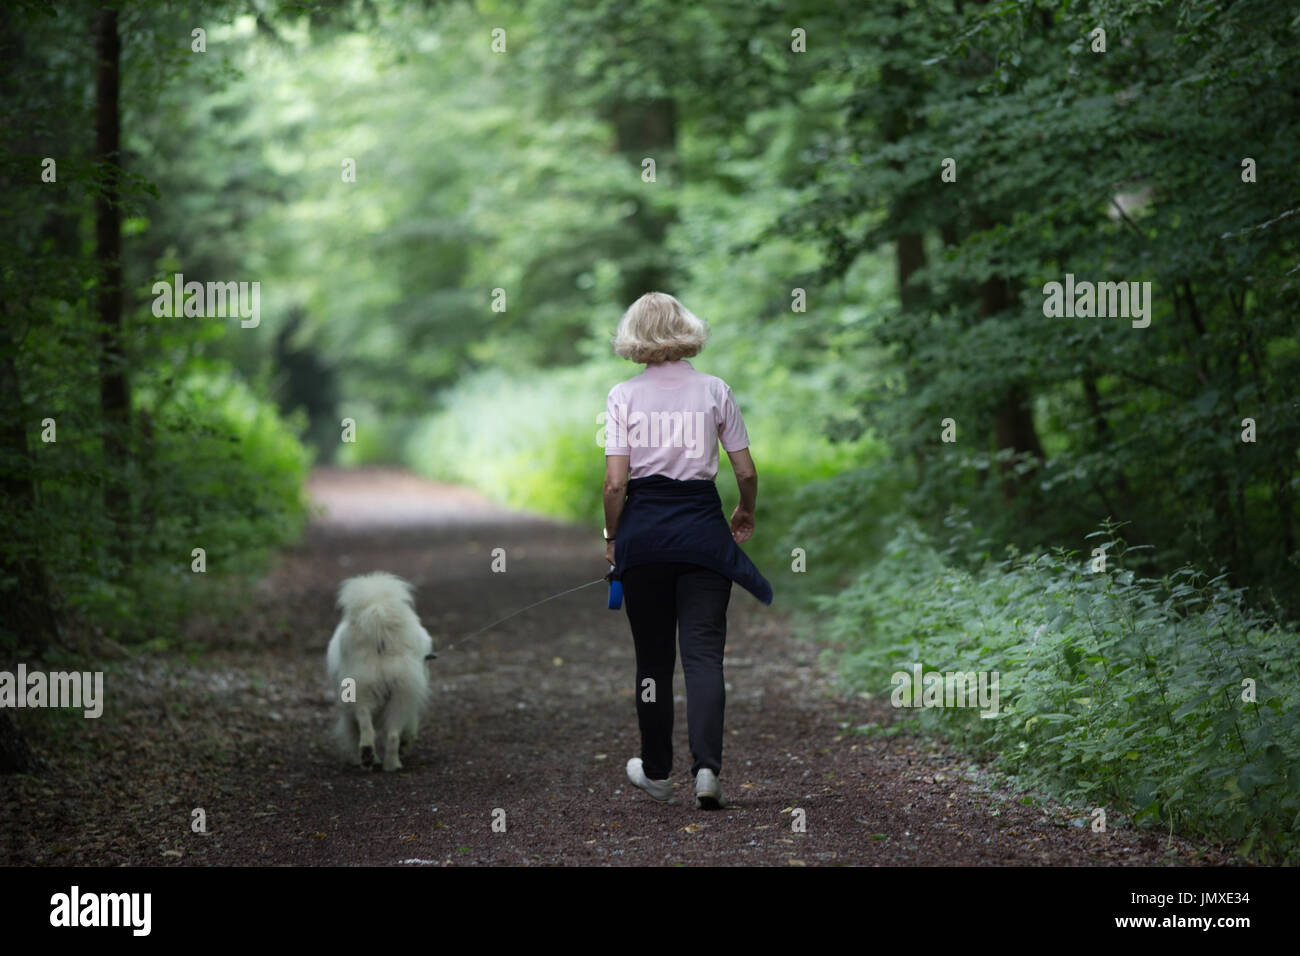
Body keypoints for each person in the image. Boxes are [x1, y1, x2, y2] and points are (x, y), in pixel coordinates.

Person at [602, 292, 772, 810]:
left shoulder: (622, 396)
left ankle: (656, 773)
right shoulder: (715, 390)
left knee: (652, 661)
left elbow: (614, 485)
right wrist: (744, 510)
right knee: (703, 658)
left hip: (644, 537)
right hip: (703, 534)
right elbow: (744, 470)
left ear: (634, 335)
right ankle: (707, 771)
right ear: (686, 329)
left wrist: (612, 539)